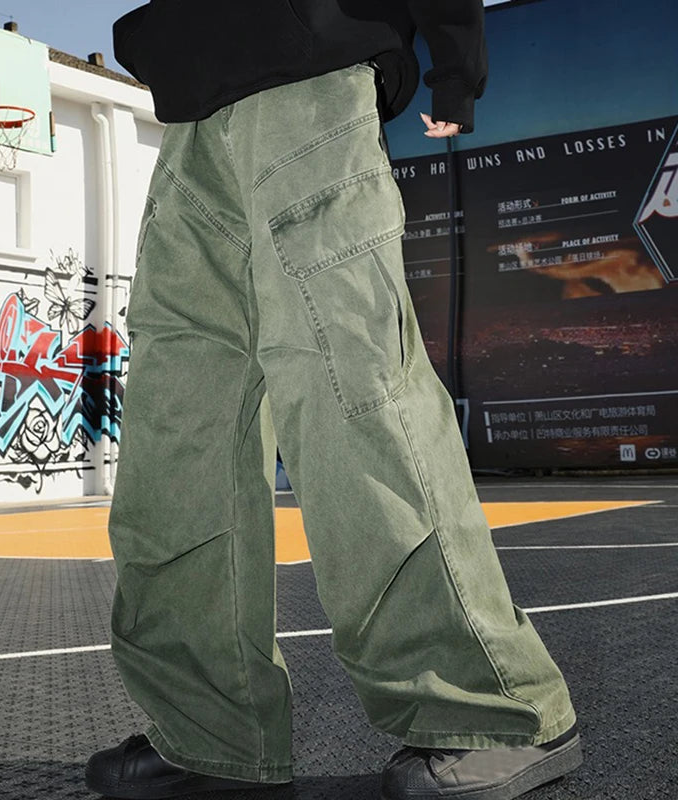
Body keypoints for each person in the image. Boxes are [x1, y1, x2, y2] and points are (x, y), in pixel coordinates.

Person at [85, 2, 583, 798]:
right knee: (175, 438)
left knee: (356, 403)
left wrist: (456, 66)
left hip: (310, 80)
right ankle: (213, 737)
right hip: (190, 114)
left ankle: (494, 713)